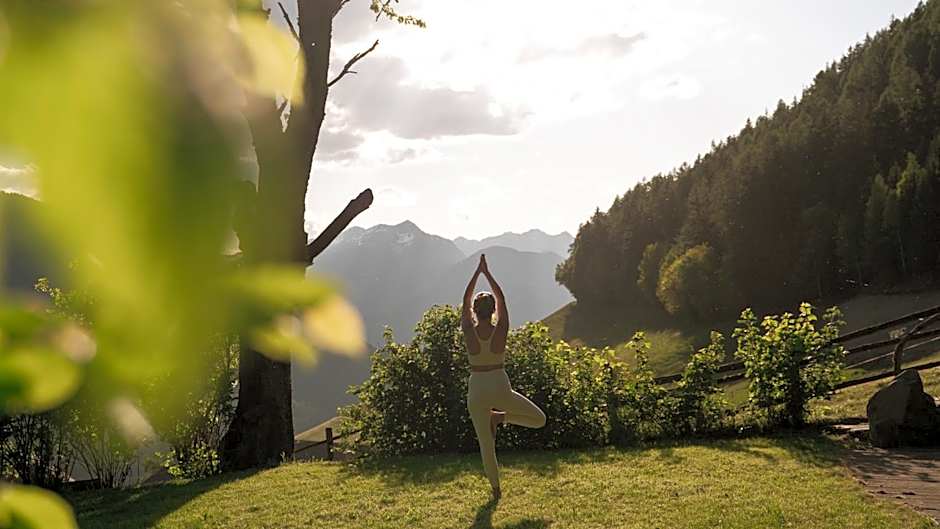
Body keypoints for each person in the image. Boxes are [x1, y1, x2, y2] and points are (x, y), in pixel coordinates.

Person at [462, 253, 546, 500]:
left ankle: (496, 490)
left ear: (474, 311)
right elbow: (502, 298)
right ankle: (501, 418)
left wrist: (477, 274)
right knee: (539, 419)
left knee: (486, 445)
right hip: (499, 385)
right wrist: (487, 273)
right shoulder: (501, 329)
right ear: (494, 311)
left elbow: (465, 299)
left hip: (477, 388)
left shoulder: (469, 330)